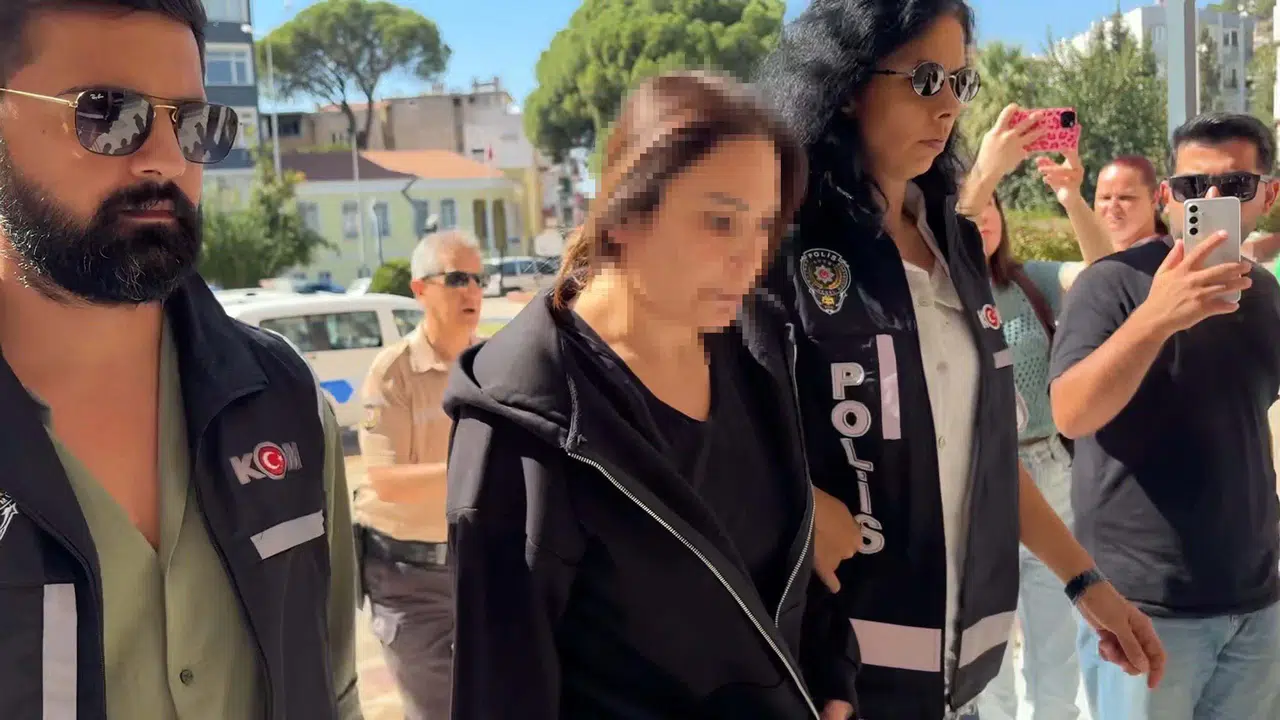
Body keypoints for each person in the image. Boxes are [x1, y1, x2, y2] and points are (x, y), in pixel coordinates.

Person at [756, 1, 1165, 717]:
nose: (947, 107)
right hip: (834, 683)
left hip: (959, 685)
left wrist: (1085, 583)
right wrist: (797, 502)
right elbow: (714, 433)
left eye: (959, 82)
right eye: (923, 79)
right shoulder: (780, 245)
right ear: (846, 84)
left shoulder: (958, 247)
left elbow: (987, 453)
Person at [443, 70, 861, 720]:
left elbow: (785, 576)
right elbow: (501, 694)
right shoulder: (522, 426)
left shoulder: (757, 346)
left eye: (765, 227)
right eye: (721, 222)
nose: (750, 260)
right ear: (623, 213)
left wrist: (835, 683)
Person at [0, 1, 361, 718]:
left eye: (194, 124)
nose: (166, 159)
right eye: (107, 114)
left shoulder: (283, 401)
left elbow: (335, 685)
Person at [1050, 112, 1280, 720]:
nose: (1209, 199)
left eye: (1234, 186)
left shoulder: (1265, 293)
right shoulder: (1112, 285)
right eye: (1191, 187)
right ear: (1167, 197)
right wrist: (1157, 318)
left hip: (1255, 598)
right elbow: (1070, 413)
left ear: (1268, 195)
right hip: (1143, 606)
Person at [959, 106, 1114, 720]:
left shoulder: (1031, 283)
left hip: (1051, 476)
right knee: (989, 659)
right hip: (978, 479)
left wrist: (1073, 197)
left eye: (993, 206)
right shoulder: (938, 294)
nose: (985, 217)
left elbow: (1104, 273)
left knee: (1056, 651)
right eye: (973, 206)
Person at [355, 230, 483, 718]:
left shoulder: (491, 364)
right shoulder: (393, 372)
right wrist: (476, 463)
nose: (472, 291)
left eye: (479, 278)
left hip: (478, 564)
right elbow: (387, 480)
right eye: (457, 278)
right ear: (420, 289)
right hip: (408, 577)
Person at [1094, 155, 1169, 251]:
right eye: (1105, 198)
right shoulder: (1102, 257)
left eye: (1124, 197)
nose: (1113, 206)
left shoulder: (1168, 256)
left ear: (1154, 199)